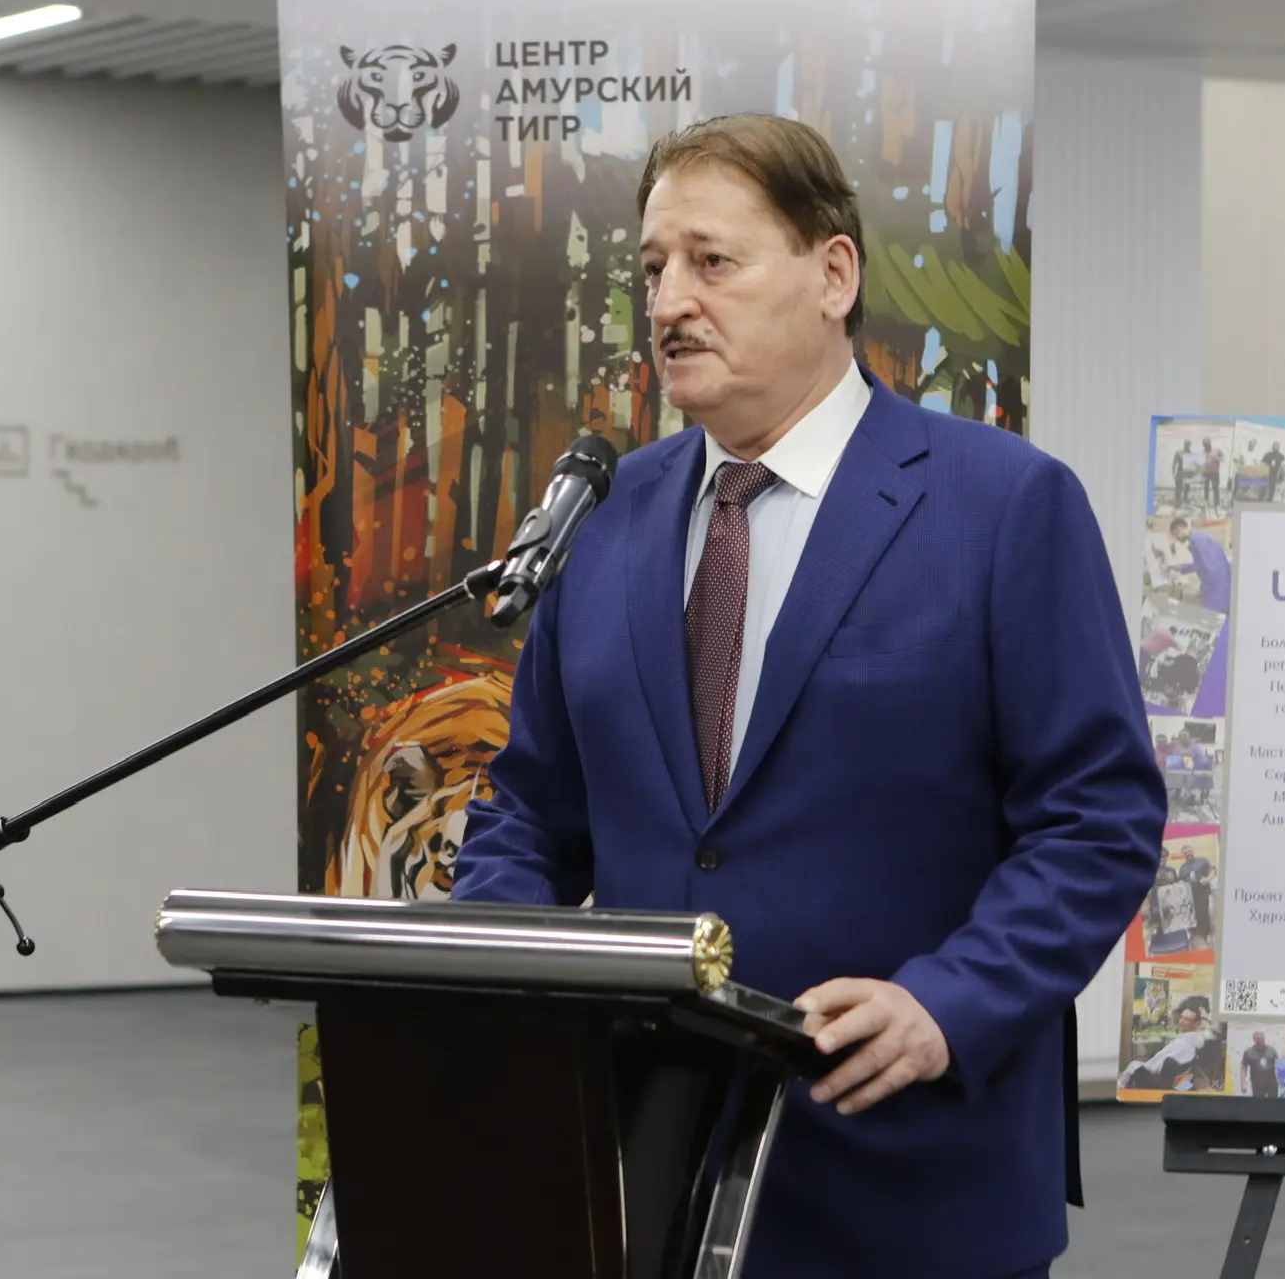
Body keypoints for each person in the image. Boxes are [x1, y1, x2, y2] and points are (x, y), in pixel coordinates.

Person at [451, 113, 1166, 1279]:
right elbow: (530, 806)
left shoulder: (1001, 505)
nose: (669, 301)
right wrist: (496, 970)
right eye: (653, 268)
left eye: (712, 262)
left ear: (833, 275)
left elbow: (1098, 817)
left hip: (906, 1172)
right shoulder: (607, 518)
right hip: (642, 1173)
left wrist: (949, 1002)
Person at [1168, 516, 1232, 614]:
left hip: (1217, 588)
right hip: (1219, 585)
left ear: (1181, 530)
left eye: (1177, 535)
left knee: (1209, 617)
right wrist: (1180, 567)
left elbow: (1210, 569)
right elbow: (1201, 564)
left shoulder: (1199, 541)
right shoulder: (1197, 538)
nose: (1178, 539)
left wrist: (1203, 589)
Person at [1241, 1029, 1280, 1098]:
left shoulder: (1271, 1050)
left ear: (1264, 1038)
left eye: (1261, 1038)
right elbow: (1244, 1067)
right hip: (1257, 1084)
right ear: (1254, 1039)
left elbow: (1278, 1065)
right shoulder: (1249, 1052)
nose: (1260, 1040)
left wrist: (1280, 1079)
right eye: (1257, 1038)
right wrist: (1243, 1084)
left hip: (1271, 1083)